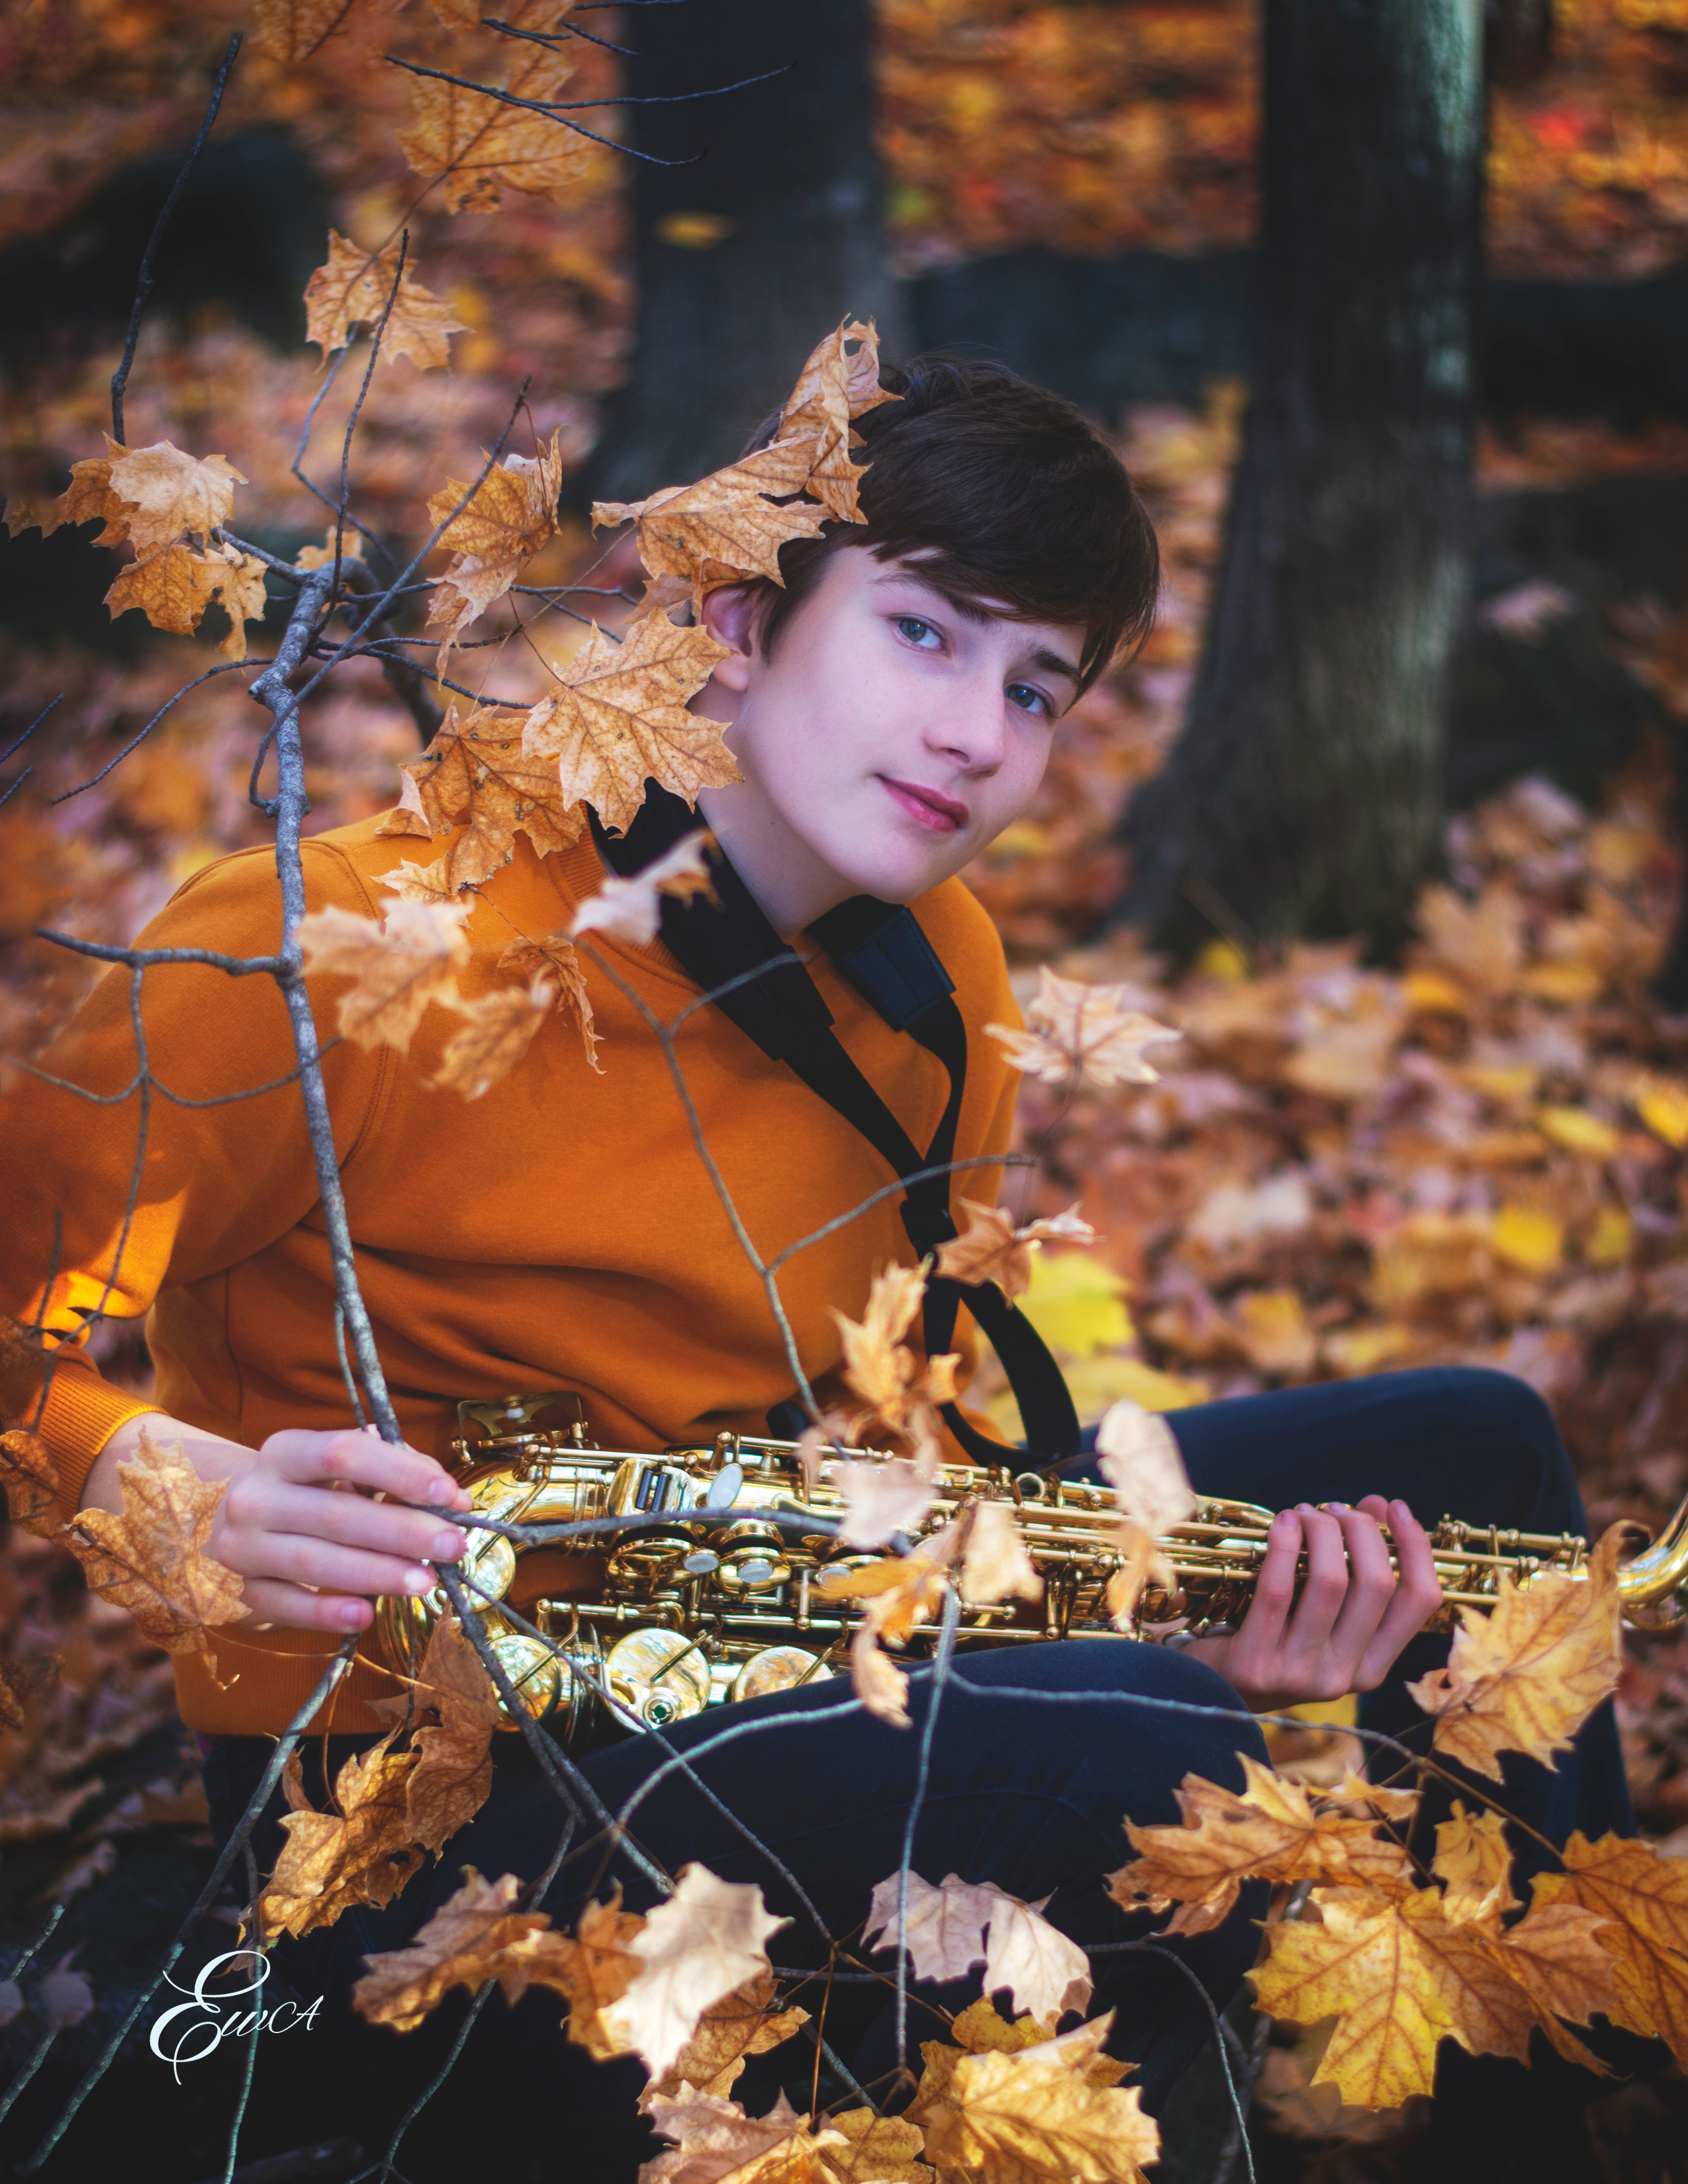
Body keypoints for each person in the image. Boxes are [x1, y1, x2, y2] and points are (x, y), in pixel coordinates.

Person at [0, 357, 1639, 2181]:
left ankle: (1554, 2118)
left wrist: (1143, 1608)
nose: (977, 734)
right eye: (927, 634)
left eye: (1036, 687)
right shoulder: (326, 944)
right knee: (1163, 1746)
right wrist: (171, 1486)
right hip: (445, 1782)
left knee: (1482, 1452)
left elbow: (903, 1442)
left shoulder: (948, 978)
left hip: (778, 1600)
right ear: (738, 620)